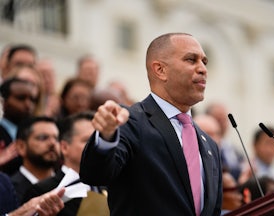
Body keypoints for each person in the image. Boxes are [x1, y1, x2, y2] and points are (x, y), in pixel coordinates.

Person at [80, 32, 222, 215]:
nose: (203, 69)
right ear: (160, 70)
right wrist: (106, 137)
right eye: (191, 60)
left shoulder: (209, 144)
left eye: (204, 62)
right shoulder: (130, 121)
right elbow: (95, 174)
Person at [24, 111, 109, 216]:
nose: (96, 146)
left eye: (99, 141)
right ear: (64, 147)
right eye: (87, 141)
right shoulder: (43, 191)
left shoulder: (106, 188)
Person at [11, 116, 61, 202]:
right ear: (21, 147)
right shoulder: (9, 189)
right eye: (43, 138)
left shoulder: (66, 186)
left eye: (56, 139)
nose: (52, 143)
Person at [0, 78, 40, 175]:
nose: (28, 104)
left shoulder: (37, 131)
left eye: (32, 99)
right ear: (3, 101)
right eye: (20, 98)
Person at [205, 102, 244, 181]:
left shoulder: (232, 149)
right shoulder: (203, 145)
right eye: (219, 120)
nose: (222, 124)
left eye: (224, 120)